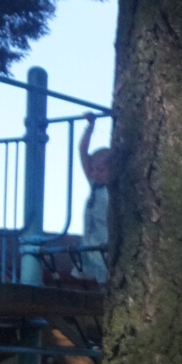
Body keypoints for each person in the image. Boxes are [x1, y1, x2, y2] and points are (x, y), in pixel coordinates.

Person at [78, 114, 111, 283]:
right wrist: (90, 127)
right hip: (91, 241)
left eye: (100, 170)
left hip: (106, 242)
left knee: (107, 273)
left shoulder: (113, 191)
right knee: (96, 274)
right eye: (92, 169)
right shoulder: (94, 185)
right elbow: (82, 151)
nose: (95, 173)